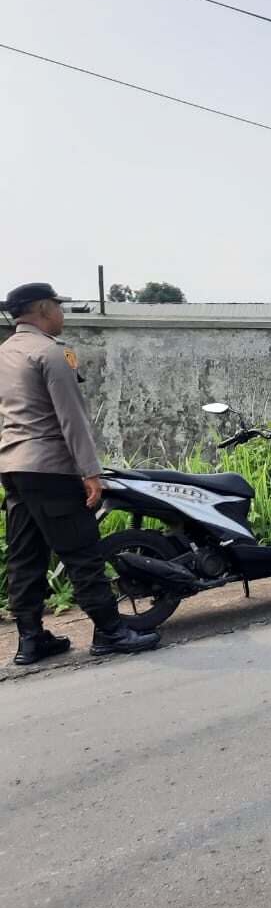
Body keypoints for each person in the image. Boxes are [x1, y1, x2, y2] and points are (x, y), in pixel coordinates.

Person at [0, 283, 161, 664]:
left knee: (25, 555)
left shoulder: (5, 353)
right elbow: (72, 419)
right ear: (42, 308)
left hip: (13, 467)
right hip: (50, 467)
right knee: (82, 551)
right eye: (58, 306)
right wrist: (90, 472)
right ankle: (110, 632)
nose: (62, 313)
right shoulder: (52, 353)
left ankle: (31, 639)